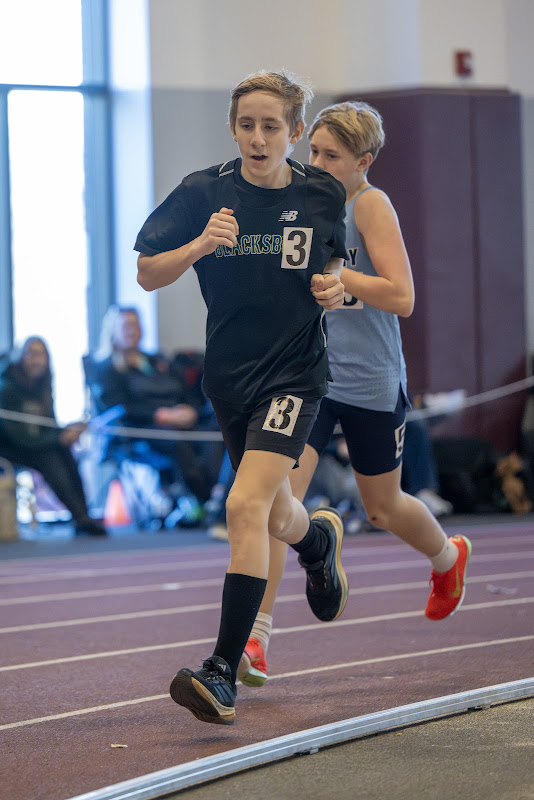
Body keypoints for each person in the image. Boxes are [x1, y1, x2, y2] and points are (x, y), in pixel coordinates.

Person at [135, 70, 349, 725]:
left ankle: (223, 670)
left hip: (294, 377)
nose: (258, 138)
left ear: (295, 133)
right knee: (278, 513)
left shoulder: (321, 195)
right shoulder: (203, 191)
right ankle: (315, 544)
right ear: (234, 128)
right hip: (230, 381)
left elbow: (335, 268)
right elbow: (146, 272)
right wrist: (200, 243)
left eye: (271, 126)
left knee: (244, 504)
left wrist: (337, 286)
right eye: (247, 125)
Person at [237, 100, 472, 689]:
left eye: (331, 156)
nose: (315, 162)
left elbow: (402, 295)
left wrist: (343, 280)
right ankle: (256, 638)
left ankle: (448, 559)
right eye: (312, 150)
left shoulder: (369, 204)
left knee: (382, 507)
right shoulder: (296, 196)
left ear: (363, 161)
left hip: (368, 380)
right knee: (272, 501)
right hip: (306, 377)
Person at [90, 306, 219, 512]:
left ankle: (218, 490)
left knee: (215, 433)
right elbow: (118, 408)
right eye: (126, 326)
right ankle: (208, 498)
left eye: (135, 325)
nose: (132, 330)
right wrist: (161, 415)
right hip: (141, 428)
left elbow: (187, 392)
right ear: (113, 330)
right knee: (178, 443)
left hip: (180, 421)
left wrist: (190, 410)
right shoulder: (107, 369)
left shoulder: (157, 361)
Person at [0, 337, 107, 536]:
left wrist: (65, 434)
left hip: (36, 443)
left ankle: (83, 515)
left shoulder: (43, 383)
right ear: (21, 356)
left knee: (64, 451)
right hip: (11, 447)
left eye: (41, 354)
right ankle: (80, 516)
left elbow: (46, 424)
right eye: (31, 354)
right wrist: (58, 438)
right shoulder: (7, 386)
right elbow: (19, 435)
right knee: (50, 457)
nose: (37, 360)